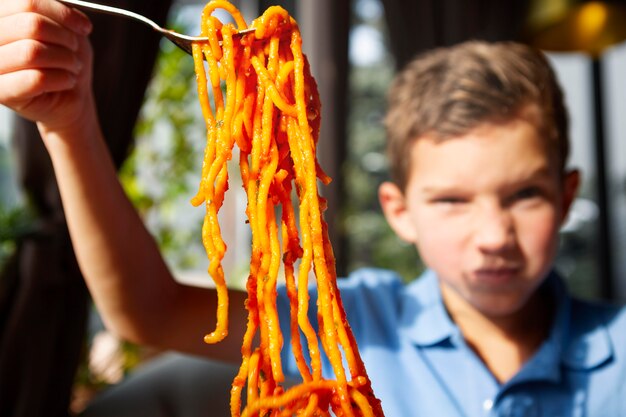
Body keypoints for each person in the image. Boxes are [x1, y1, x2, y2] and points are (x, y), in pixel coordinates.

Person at [1, 0, 625, 416]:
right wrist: (71, 122)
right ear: (398, 210)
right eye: (452, 200)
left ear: (568, 196)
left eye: (525, 195)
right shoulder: (354, 327)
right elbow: (148, 310)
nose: (494, 235)